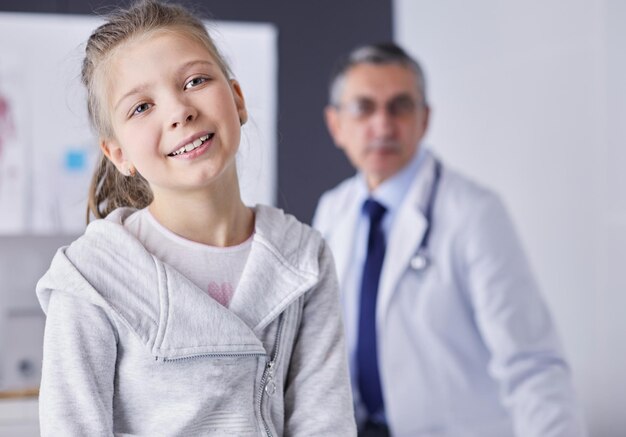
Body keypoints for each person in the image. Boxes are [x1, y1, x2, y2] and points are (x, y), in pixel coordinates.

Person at [35, 1, 356, 435]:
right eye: (141, 107)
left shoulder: (304, 257)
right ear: (119, 154)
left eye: (196, 80)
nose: (178, 111)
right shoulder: (91, 278)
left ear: (237, 99)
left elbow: (326, 422)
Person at [313, 42, 587, 437]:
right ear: (336, 125)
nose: (383, 126)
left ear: (424, 119)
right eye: (364, 108)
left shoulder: (474, 214)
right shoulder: (333, 210)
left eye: (400, 106)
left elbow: (532, 365)